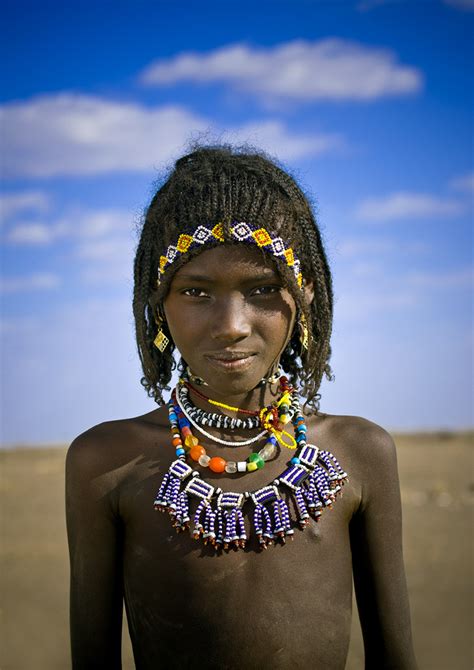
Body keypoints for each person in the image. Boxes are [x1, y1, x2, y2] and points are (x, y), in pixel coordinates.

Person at [66, 146, 417, 669]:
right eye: (197, 292)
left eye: (262, 288)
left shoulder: (360, 454)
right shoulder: (104, 463)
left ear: (305, 296)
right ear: (158, 303)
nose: (232, 324)